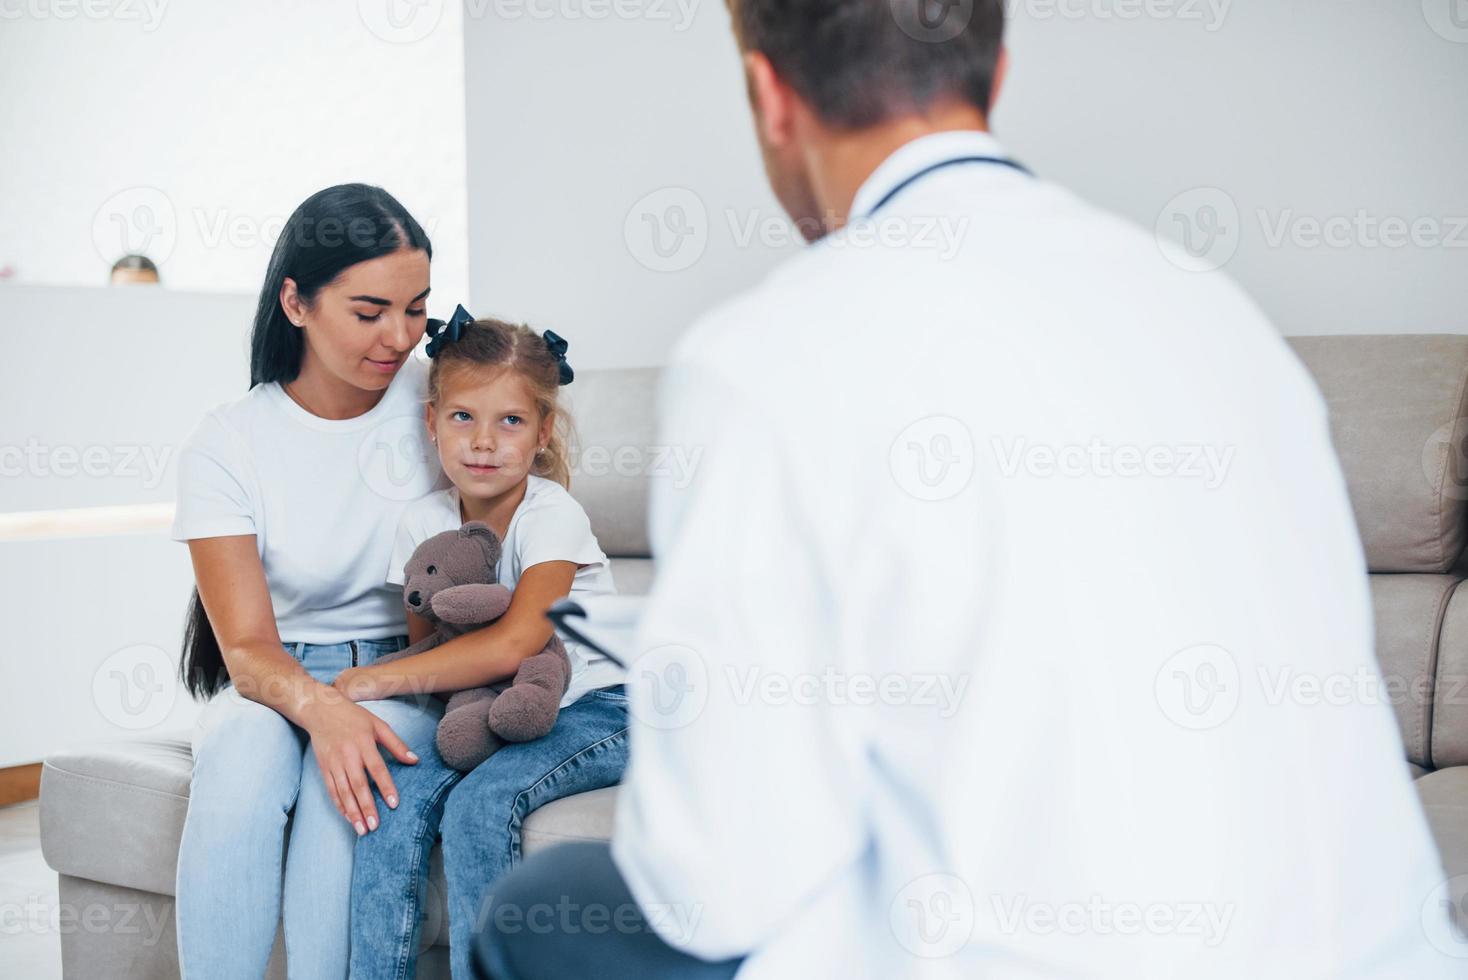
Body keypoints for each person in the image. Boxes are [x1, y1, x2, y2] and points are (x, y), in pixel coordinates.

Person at [474, 1, 1457, 977]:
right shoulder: (1219, 315)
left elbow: (718, 881)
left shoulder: (770, 354)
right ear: (995, 74)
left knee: (536, 908)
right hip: (1378, 954)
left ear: (771, 96)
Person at [172, 183, 446, 978]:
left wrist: (353, 710)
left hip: (407, 672)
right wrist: (322, 709)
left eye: (417, 308)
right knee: (236, 761)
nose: (399, 337)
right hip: (276, 676)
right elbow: (249, 651)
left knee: (342, 800)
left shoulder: (444, 405)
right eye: (369, 312)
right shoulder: (228, 444)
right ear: (295, 302)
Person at [339, 311, 627, 980]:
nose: (484, 442)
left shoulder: (552, 513)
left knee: (481, 805)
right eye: (464, 418)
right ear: (432, 421)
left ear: (543, 432)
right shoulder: (423, 523)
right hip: (480, 710)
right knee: (394, 798)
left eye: (511, 422)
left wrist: (367, 682)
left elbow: (518, 641)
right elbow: (433, 659)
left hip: (599, 707)